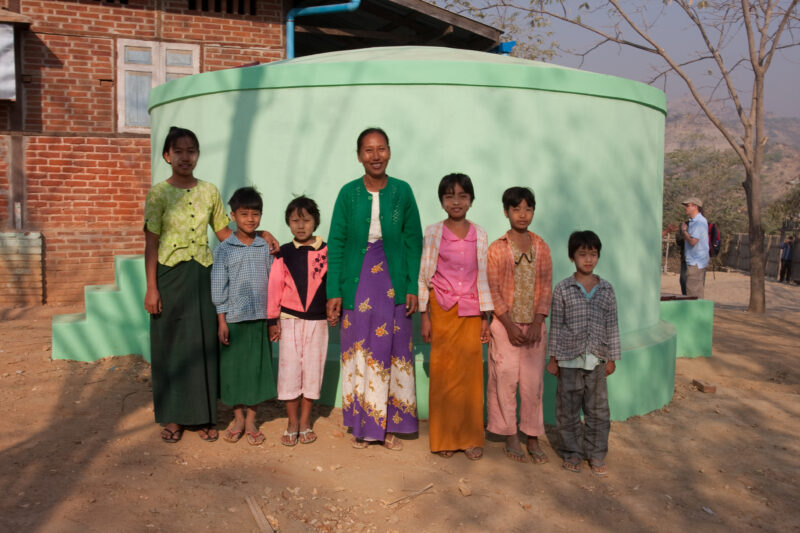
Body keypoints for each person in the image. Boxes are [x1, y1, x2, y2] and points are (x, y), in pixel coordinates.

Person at [144, 127, 277, 444]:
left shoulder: (209, 191)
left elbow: (225, 235)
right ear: (167, 156)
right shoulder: (158, 194)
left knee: (203, 345)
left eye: (191, 150)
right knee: (171, 345)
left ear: (198, 155)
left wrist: (259, 236)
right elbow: (151, 243)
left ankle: (204, 417)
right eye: (178, 151)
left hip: (204, 274)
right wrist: (151, 287)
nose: (185, 156)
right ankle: (175, 417)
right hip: (168, 275)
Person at [326, 127, 423, 451]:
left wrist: (412, 286)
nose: (375, 155)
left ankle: (387, 428)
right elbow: (336, 245)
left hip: (393, 280)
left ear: (389, 152)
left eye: (381, 148)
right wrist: (334, 293)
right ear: (359, 156)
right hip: (357, 278)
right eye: (368, 150)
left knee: (392, 351)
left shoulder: (402, 192)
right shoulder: (347, 194)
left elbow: (413, 242)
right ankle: (362, 425)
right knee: (360, 352)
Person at [418, 174, 492, 460]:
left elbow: (483, 276)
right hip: (442, 308)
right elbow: (425, 275)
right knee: (443, 373)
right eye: (449, 196)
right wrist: (425, 315)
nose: (456, 201)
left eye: (462, 196)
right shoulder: (434, 232)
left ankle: (471, 438)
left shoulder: (480, 234)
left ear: (471, 200)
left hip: (472, 311)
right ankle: (445, 438)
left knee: (470, 375)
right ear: (442, 201)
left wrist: (486, 317)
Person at [486, 186, 552, 464]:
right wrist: (508, 324)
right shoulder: (497, 249)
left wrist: (538, 320)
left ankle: (533, 435)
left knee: (533, 384)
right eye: (516, 209)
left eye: (528, 209)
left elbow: (546, 286)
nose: (523, 215)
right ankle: (510, 433)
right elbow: (492, 288)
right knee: (504, 380)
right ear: (506, 212)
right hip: (505, 327)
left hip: (534, 328)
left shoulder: (541, 247)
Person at [546, 230, 620, 477]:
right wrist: (553, 358)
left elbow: (612, 324)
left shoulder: (607, 290)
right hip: (568, 359)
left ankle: (597, 453)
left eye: (593, 254)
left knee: (598, 409)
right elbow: (556, 325)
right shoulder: (563, 289)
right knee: (567, 408)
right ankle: (572, 453)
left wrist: (612, 358)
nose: (588, 259)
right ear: (572, 257)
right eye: (582, 254)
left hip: (597, 359)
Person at [211, 187, 277, 446]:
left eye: (256, 214)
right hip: (234, 319)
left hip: (261, 317)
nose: (250, 219)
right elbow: (219, 286)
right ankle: (237, 418)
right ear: (232, 216)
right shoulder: (224, 250)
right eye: (244, 214)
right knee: (234, 371)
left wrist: (274, 319)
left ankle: (252, 420)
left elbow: (274, 284)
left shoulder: (266, 246)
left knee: (257, 370)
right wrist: (221, 321)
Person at [267, 196, 328, 446]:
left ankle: (305, 422)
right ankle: (291, 422)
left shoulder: (327, 251)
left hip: (318, 322)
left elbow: (334, 285)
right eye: (294, 221)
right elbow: (274, 287)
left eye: (306, 220)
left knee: (312, 372)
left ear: (315, 222)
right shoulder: (283, 252)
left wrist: (337, 309)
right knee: (290, 372)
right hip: (289, 320)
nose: (300, 226)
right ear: (288, 224)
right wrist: (272, 319)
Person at [680, 197, 709, 298]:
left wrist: (684, 231)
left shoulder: (699, 222)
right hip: (696, 261)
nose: (685, 208)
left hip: (696, 262)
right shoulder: (693, 222)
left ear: (695, 207)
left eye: (688, 205)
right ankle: (700, 313)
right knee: (697, 293)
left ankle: (694, 313)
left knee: (692, 294)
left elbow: (693, 241)